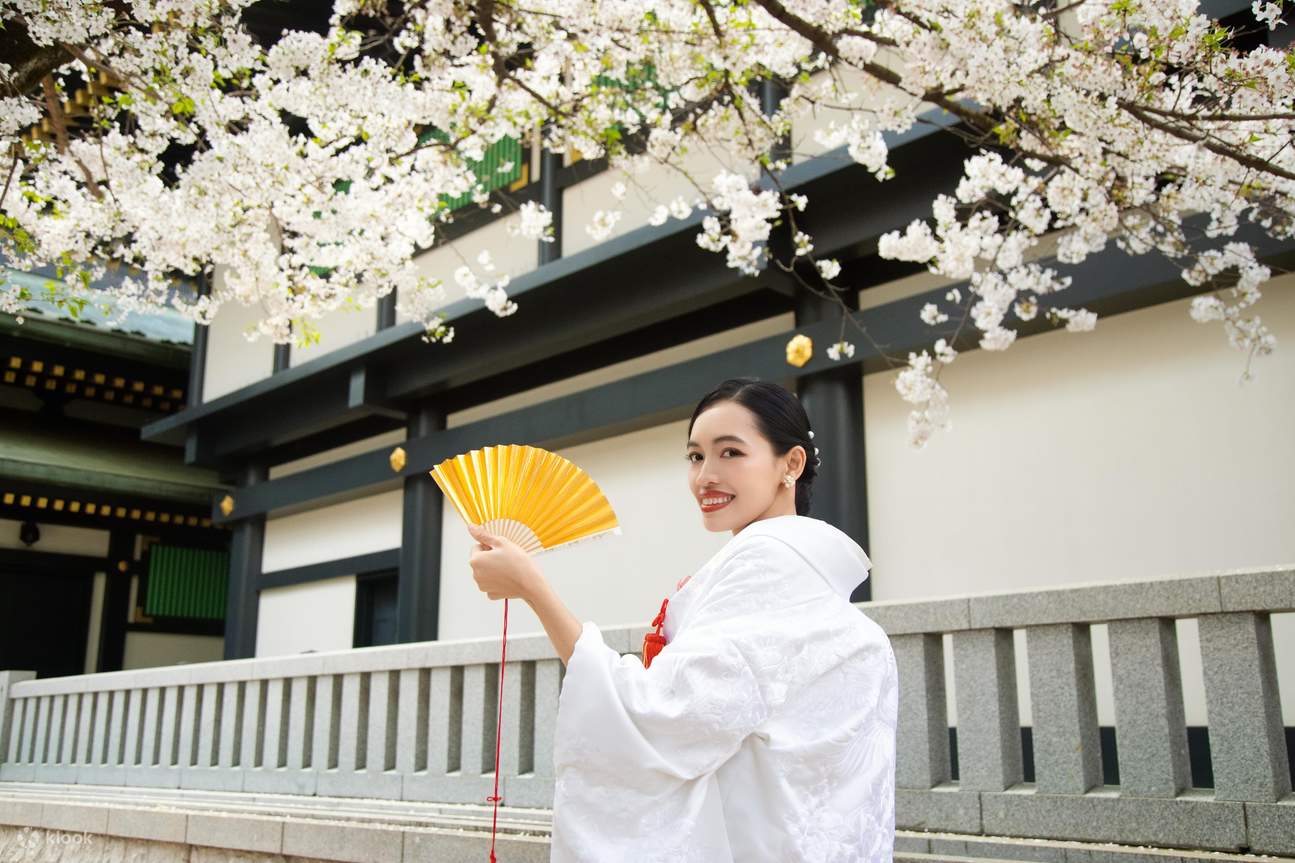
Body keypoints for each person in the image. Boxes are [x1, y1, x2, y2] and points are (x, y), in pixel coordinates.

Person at [465, 377, 897, 862]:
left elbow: (660, 716)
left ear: (790, 463)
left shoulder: (769, 564)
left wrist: (534, 590)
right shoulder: (804, 571)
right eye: (695, 456)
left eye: (730, 453)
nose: (705, 476)